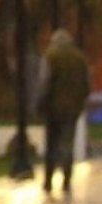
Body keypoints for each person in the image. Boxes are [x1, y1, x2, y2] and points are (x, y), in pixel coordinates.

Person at [36, 28, 90, 195]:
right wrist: (80, 101)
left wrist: (40, 102)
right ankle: (66, 180)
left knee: (51, 143)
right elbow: (86, 85)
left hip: (53, 108)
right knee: (67, 143)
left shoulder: (50, 56)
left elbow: (45, 82)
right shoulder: (80, 58)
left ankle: (48, 181)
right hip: (72, 108)